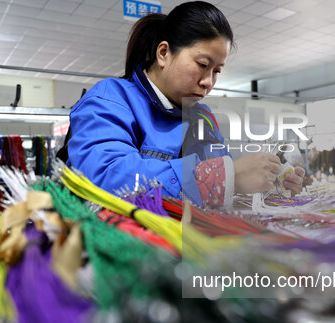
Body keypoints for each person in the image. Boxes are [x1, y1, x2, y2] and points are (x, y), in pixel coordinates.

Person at [68, 1, 304, 208]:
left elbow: (225, 186)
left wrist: (269, 184)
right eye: (202, 64)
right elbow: (103, 180)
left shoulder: (202, 117)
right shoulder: (110, 100)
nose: (208, 82)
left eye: (217, 71)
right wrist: (223, 177)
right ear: (163, 53)